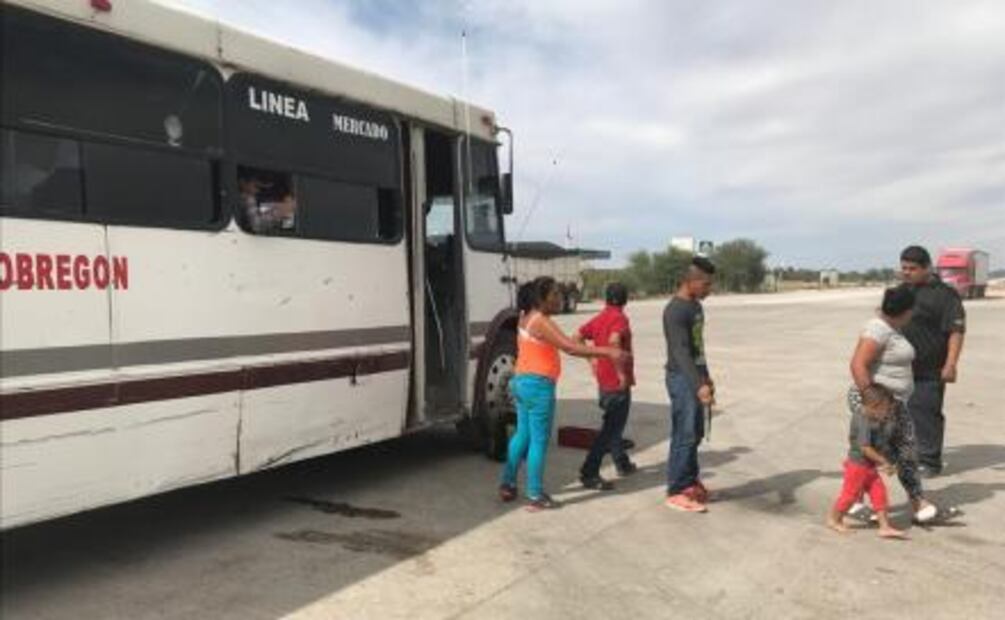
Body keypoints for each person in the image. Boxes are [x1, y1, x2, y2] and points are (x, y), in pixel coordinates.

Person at [498, 276, 626, 511]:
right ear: (542, 298)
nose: (559, 299)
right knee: (538, 441)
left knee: (522, 436)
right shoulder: (540, 321)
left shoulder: (525, 317)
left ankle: (507, 483)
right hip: (537, 385)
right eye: (555, 295)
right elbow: (569, 347)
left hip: (522, 381)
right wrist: (608, 352)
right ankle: (535, 494)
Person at [847, 285, 938, 524]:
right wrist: (872, 401)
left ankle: (855, 500)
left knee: (882, 452)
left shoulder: (891, 327)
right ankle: (916, 502)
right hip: (879, 403)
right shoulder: (878, 330)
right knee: (900, 450)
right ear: (907, 310)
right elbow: (858, 364)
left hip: (892, 402)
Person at [899, 245, 966, 477]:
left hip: (930, 368)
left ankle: (929, 461)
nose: (906, 272)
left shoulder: (945, 295)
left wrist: (951, 363)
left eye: (912, 268)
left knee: (927, 413)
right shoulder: (902, 291)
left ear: (927, 268)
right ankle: (908, 454)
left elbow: (956, 331)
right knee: (902, 413)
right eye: (904, 268)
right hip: (901, 367)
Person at [663, 256, 717, 513]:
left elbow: (698, 349)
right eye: (706, 284)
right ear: (691, 281)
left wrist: (706, 376)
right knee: (684, 434)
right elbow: (681, 351)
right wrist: (698, 384)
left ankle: (690, 481)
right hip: (682, 378)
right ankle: (676, 490)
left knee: (694, 433)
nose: (710, 289)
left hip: (695, 377)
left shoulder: (696, 307)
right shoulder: (675, 310)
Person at [575, 281, 637, 490]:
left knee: (614, 424)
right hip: (617, 382)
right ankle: (589, 472)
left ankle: (622, 463)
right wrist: (621, 374)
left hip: (603, 379)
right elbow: (614, 342)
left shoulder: (600, 318)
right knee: (610, 429)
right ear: (625, 299)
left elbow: (577, 337)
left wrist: (591, 360)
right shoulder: (620, 318)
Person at [828, 384, 908, 539]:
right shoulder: (862, 419)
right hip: (857, 466)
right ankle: (834, 519)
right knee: (850, 495)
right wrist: (883, 461)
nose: (886, 413)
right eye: (884, 409)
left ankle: (884, 527)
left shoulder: (875, 417)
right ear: (871, 407)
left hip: (869, 466)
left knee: (879, 493)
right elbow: (865, 448)